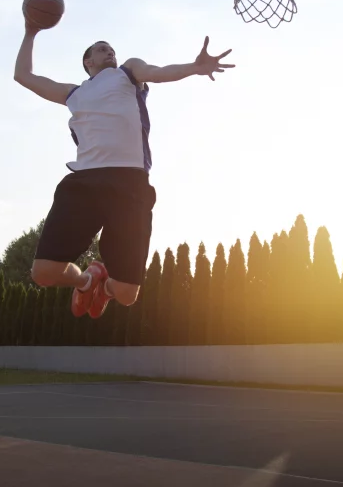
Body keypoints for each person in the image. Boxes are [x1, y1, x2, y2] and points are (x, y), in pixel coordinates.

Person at [14, 22, 235, 319]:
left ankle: (105, 290)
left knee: (127, 295)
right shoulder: (74, 94)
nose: (109, 52)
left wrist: (193, 67)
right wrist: (30, 32)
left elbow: (157, 72)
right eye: (101, 49)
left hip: (130, 184)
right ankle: (86, 280)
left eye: (111, 49)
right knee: (42, 273)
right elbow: (23, 76)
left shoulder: (128, 73)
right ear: (88, 62)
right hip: (84, 182)